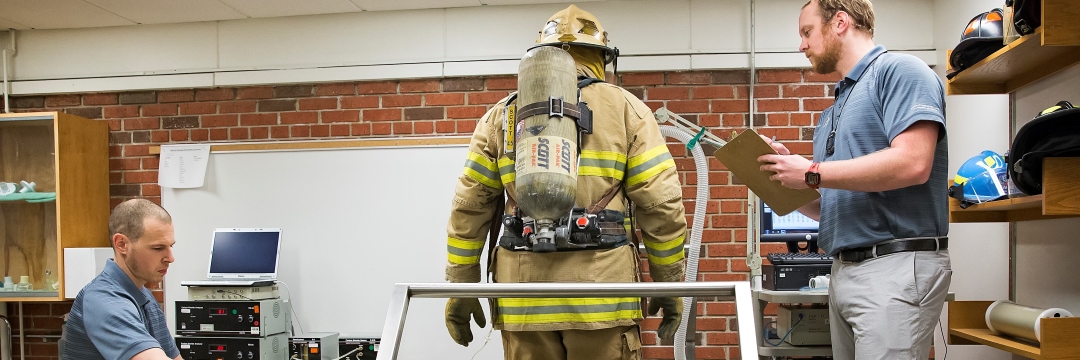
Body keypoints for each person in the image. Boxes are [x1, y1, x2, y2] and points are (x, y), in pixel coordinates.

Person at [442, 5, 687, 360]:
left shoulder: (501, 115)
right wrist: (668, 285)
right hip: (601, 300)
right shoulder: (627, 110)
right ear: (603, 59)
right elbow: (661, 205)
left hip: (523, 301)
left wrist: (461, 287)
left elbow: (468, 209)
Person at [758, 1, 951, 359]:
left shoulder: (901, 71)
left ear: (840, 22)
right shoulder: (834, 110)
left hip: (895, 265)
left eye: (807, 32)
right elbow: (828, 205)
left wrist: (812, 172)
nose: (801, 45)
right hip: (844, 270)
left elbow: (913, 162)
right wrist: (785, 179)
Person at [62, 199, 182, 360]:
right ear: (121, 244)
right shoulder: (102, 300)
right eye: (158, 248)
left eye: (170, 246)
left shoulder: (145, 297)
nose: (170, 258)